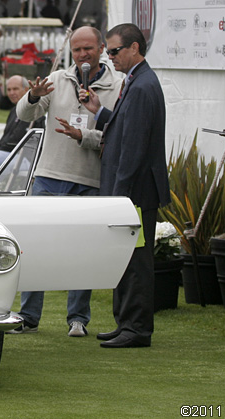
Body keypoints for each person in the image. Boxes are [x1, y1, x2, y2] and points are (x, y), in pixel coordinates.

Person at [11, 26, 123, 337]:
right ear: (70, 52)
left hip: (89, 179)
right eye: (77, 50)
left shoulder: (118, 85)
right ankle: (29, 316)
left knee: (82, 251)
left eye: (89, 48)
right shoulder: (57, 80)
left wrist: (84, 137)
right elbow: (23, 115)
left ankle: (78, 319)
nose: (83, 55)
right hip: (49, 176)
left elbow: (116, 135)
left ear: (101, 47)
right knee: (35, 247)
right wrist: (32, 95)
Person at [81, 22, 168, 349]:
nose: (110, 57)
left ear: (135, 48)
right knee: (125, 259)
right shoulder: (137, 81)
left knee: (135, 262)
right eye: (108, 52)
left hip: (135, 193)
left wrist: (118, 197)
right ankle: (126, 323)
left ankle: (137, 328)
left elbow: (133, 147)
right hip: (131, 190)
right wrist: (100, 113)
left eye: (115, 51)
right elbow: (125, 128)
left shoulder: (144, 86)